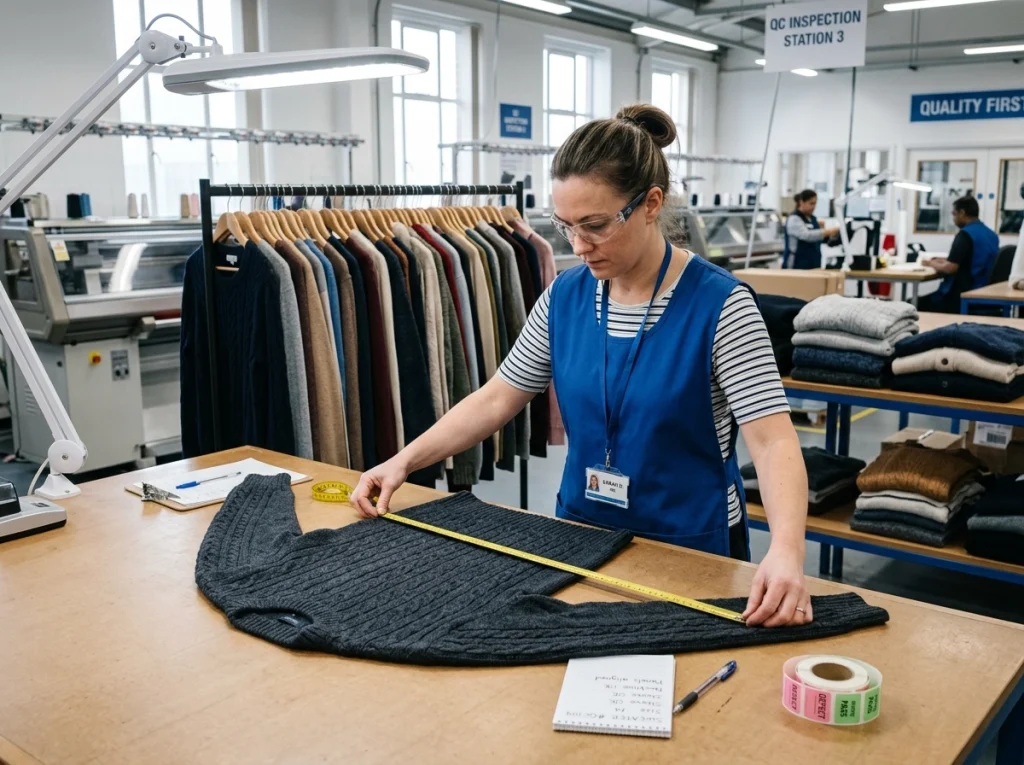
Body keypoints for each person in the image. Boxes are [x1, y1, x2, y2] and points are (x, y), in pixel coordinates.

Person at [352, 104, 811, 628]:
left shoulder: (722, 306)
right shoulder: (565, 296)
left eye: (595, 225)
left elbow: (773, 442)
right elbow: (498, 396)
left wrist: (787, 551)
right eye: (565, 226)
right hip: (580, 535)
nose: (578, 245)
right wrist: (403, 461)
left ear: (650, 204)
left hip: (689, 541)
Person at [919, 195, 1001, 313]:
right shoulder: (991, 234)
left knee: (913, 303)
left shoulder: (965, 235)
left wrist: (929, 263)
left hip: (961, 296)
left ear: (962, 213)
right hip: (984, 291)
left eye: (954, 214)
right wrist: (941, 260)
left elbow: (950, 268)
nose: (954, 219)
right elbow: (971, 259)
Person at [784, 190, 840, 269]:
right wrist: (828, 232)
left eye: (815, 203)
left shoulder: (812, 219)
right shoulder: (794, 219)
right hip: (797, 264)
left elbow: (818, 238)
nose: (814, 207)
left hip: (813, 262)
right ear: (802, 202)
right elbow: (806, 235)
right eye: (811, 203)